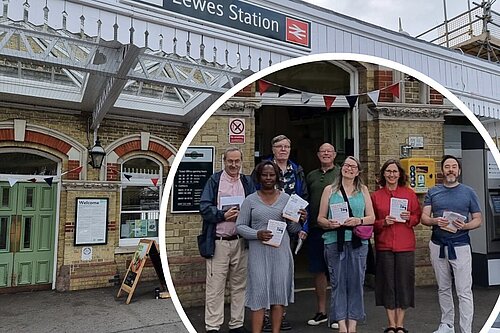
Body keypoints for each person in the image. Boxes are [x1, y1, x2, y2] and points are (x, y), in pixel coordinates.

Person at [236, 160, 306, 333]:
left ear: (277, 177)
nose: (268, 178)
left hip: (280, 253)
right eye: (264, 175)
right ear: (258, 177)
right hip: (258, 253)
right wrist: (256, 234)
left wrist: (300, 220)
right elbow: (240, 226)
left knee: (277, 296)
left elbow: (292, 229)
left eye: (271, 174)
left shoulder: (286, 199)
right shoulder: (250, 200)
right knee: (259, 296)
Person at [421, 155, 482, 333]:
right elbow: (424, 217)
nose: (450, 170)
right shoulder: (433, 192)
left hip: (460, 245)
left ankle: (465, 329)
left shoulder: (469, 192)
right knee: (443, 287)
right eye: (447, 166)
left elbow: (478, 219)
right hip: (437, 245)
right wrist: (434, 221)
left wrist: (465, 225)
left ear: (459, 170)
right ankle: (446, 325)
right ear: (442, 170)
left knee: (464, 291)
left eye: (454, 166)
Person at [199, 147, 256, 333]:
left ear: (241, 162)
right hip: (219, 241)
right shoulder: (214, 180)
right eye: (230, 161)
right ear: (224, 161)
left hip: (241, 241)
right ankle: (213, 326)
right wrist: (223, 215)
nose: (233, 165)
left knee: (239, 285)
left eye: (237, 161)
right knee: (215, 286)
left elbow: (255, 206)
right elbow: (204, 207)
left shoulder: (247, 182)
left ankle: (237, 324)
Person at [317, 156, 375, 333]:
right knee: (338, 283)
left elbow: (372, 218)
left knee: (357, 283)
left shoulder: (363, 190)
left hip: (358, 242)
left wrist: (358, 220)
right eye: (346, 165)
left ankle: (353, 323)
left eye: (353, 166)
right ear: (341, 168)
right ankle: (341, 323)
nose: (349, 168)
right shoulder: (329, 190)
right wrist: (329, 224)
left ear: (358, 172)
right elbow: (320, 218)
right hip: (335, 241)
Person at [259, 134, 309, 331]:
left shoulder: (297, 170)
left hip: (289, 228)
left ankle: (281, 315)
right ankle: (263, 315)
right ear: (272, 149)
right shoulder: (264, 169)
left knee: (283, 274)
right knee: (264, 273)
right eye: (279, 146)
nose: (283, 150)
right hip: (267, 226)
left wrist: (304, 227)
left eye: (286, 146)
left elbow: (304, 198)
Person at [371, 159, 422, 333]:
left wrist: (410, 218)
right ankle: (391, 324)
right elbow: (371, 223)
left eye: (395, 171)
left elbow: (417, 216)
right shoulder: (376, 196)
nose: (392, 174)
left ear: (400, 174)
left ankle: (400, 324)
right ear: (383, 174)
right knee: (387, 284)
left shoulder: (409, 194)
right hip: (384, 245)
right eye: (388, 171)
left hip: (405, 245)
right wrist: (383, 222)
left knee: (404, 284)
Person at [305, 143, 340, 328]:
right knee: (318, 271)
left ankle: (337, 312)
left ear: (334, 154)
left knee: (336, 271)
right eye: (322, 151)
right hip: (315, 229)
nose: (326, 154)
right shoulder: (311, 176)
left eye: (329, 151)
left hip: (337, 229)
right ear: (318, 155)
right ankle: (321, 311)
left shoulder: (342, 174)